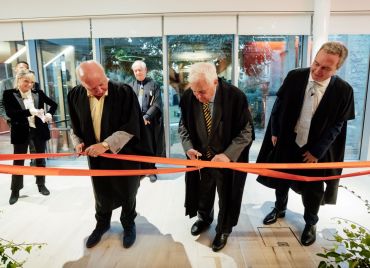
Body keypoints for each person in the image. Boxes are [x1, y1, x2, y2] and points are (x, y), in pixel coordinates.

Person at [256, 41, 355, 246]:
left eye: (326, 67)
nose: (317, 70)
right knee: (281, 179)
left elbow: (337, 125)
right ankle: (279, 208)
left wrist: (317, 152)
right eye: (315, 63)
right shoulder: (295, 76)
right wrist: (275, 131)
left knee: (313, 189)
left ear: (337, 68)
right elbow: (279, 105)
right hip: (288, 140)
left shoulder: (344, 91)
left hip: (315, 149)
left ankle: (310, 222)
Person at [68, 60, 151, 249]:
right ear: (82, 84)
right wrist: (78, 142)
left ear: (105, 75)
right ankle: (102, 223)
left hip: (123, 154)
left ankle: (128, 224)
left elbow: (132, 126)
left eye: (101, 84)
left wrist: (105, 145)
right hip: (96, 158)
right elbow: (75, 126)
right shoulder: (74, 95)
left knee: (128, 191)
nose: (98, 90)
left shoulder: (123, 92)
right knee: (100, 191)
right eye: (92, 87)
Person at [178, 62, 254, 251]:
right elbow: (183, 126)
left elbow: (247, 132)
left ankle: (223, 229)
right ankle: (204, 218)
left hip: (227, 162)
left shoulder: (235, 97)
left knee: (227, 195)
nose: (197, 96)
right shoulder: (189, 96)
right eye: (194, 91)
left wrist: (228, 155)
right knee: (203, 192)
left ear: (215, 81)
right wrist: (188, 148)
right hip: (201, 159)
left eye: (202, 91)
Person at [3, 70, 57, 205]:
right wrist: (29, 111)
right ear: (19, 80)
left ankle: (41, 184)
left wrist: (49, 114)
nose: (29, 84)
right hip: (21, 131)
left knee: (40, 160)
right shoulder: (9, 94)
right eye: (26, 81)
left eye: (32, 81)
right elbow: (11, 113)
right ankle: (15, 190)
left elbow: (54, 104)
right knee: (18, 162)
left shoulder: (38, 93)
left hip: (38, 131)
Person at [130, 60, 165, 183]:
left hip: (149, 122)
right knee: (136, 146)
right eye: (135, 70)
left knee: (150, 146)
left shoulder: (154, 85)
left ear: (146, 70)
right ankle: (139, 170)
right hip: (135, 123)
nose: (138, 72)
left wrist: (147, 117)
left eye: (140, 70)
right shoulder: (130, 86)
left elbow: (157, 104)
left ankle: (151, 170)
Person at [0, 61, 41, 166]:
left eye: (26, 68)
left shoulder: (34, 84)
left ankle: (39, 177)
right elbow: (1, 103)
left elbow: (38, 100)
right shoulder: (5, 83)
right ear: (15, 69)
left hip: (33, 121)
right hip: (16, 121)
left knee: (36, 151)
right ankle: (18, 180)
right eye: (21, 68)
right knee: (19, 153)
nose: (23, 70)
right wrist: (8, 118)